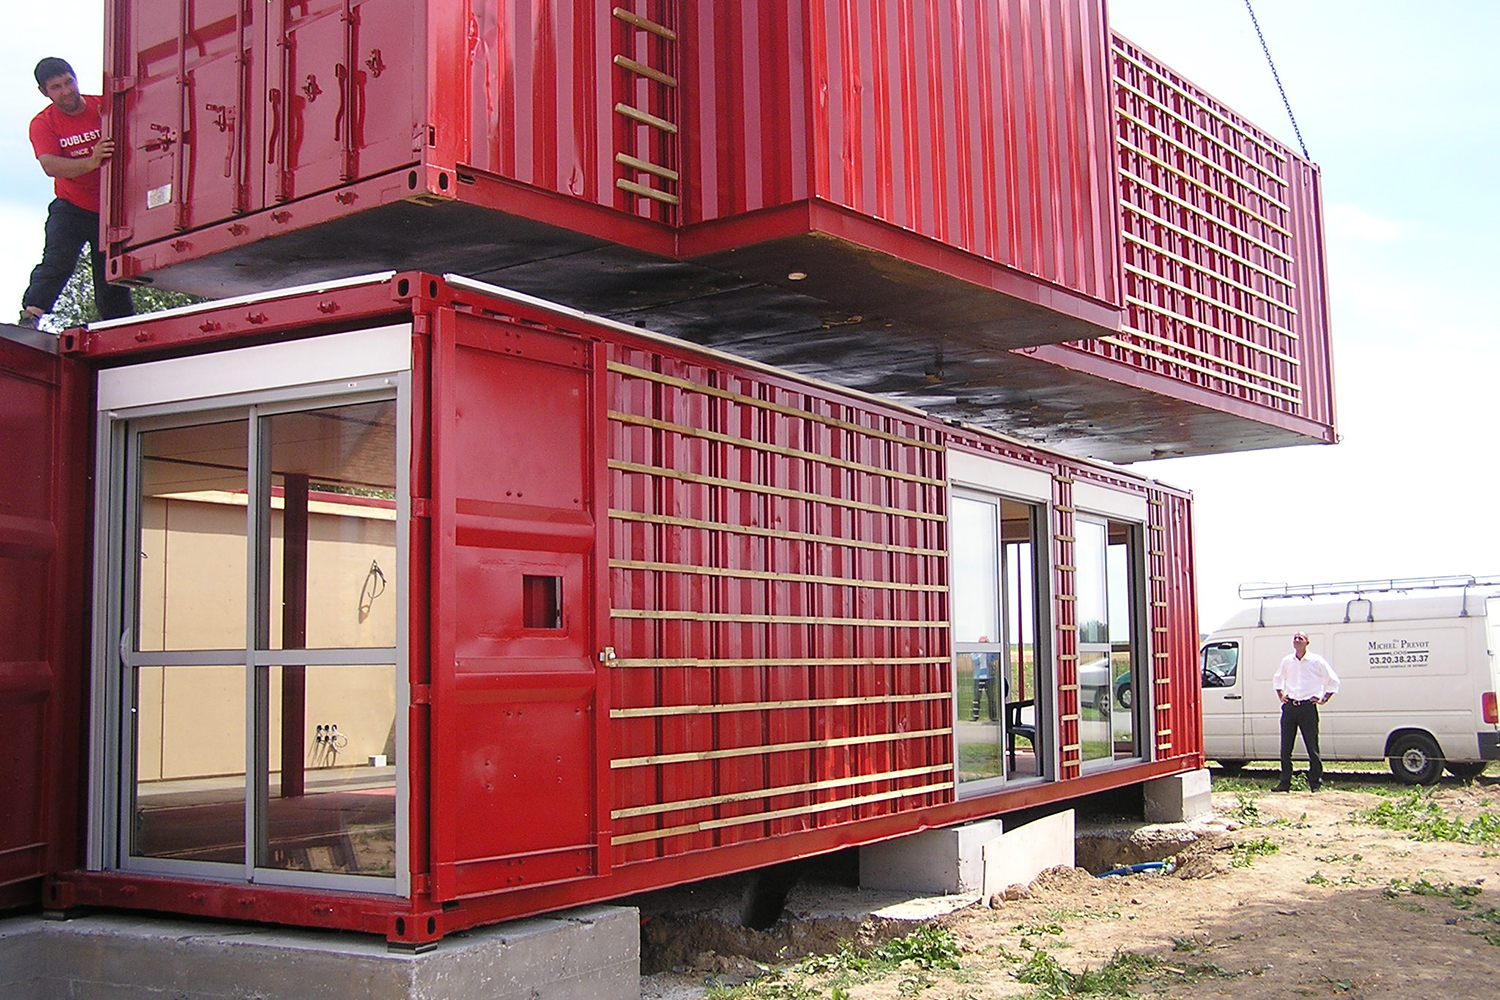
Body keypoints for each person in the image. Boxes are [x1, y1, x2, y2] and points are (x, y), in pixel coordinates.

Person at [19, 57, 134, 327]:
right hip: (71, 205)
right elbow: (50, 165)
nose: (67, 91)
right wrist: (92, 161)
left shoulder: (103, 106)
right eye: (57, 87)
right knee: (58, 260)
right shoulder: (43, 123)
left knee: (110, 273)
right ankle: (31, 316)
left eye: (69, 82)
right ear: (44, 92)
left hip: (111, 207)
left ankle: (119, 328)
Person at [1271, 630, 1339, 791]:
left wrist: (1323, 698)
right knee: (1285, 747)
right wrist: (1281, 694)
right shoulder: (1287, 661)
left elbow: (1333, 681)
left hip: (1308, 707)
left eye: (1300, 638)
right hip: (1290, 707)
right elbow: (1278, 678)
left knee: (1312, 746)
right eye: (1295, 638)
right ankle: (1285, 782)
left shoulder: (1316, 661)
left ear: (1307, 642)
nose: (1297, 640)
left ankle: (1315, 782)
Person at [970, 636, 997, 722]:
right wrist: (981, 653)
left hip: (988, 677)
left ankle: (993, 716)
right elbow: (975, 660)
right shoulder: (976, 652)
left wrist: (990, 649)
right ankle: (975, 716)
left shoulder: (989, 653)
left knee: (991, 698)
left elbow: (995, 657)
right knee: (976, 698)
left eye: (985, 643)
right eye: (981, 643)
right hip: (978, 677)